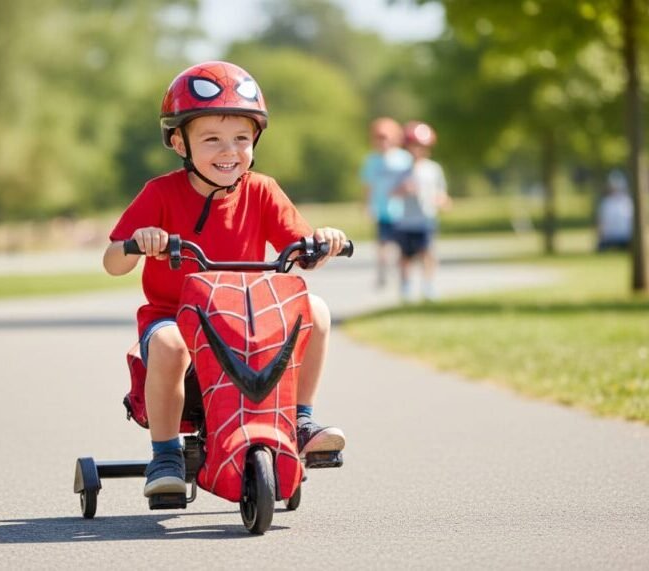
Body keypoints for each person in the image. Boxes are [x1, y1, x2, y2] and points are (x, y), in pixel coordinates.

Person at [103, 61, 347, 498]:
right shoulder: (159, 194)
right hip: (175, 316)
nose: (228, 151)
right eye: (211, 139)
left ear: (255, 140)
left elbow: (302, 249)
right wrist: (138, 243)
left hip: (246, 317)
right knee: (169, 343)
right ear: (179, 142)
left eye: (240, 138)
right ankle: (165, 454)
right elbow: (112, 262)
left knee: (317, 309)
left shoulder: (263, 190)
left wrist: (323, 242)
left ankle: (300, 418)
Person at [394, 121, 450, 302]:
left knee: (428, 253)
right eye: (413, 146)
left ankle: (428, 285)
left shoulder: (433, 169)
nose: (417, 150)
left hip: (425, 219)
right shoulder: (402, 170)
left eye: (421, 146)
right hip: (406, 220)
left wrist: (441, 201)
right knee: (405, 257)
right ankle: (406, 287)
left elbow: (442, 194)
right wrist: (403, 190)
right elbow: (393, 192)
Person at [360, 117, 413, 287]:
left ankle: (404, 279)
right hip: (382, 209)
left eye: (386, 137)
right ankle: (383, 271)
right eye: (379, 138)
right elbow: (368, 186)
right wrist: (368, 205)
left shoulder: (404, 159)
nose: (383, 142)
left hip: (403, 210)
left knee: (404, 248)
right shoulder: (372, 161)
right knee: (383, 244)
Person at [596, 169, 633, 252]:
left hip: (625, 238)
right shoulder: (606, 203)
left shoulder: (627, 202)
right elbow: (601, 222)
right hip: (609, 238)